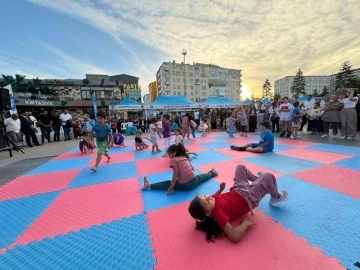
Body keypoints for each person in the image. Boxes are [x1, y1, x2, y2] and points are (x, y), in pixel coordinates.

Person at [188, 164, 288, 243]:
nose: (209, 197)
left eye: (204, 196)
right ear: (207, 213)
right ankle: (276, 198)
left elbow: (214, 196)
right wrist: (246, 223)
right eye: (206, 200)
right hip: (249, 198)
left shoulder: (211, 202)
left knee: (240, 167)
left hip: (238, 189)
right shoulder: (218, 215)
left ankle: (256, 179)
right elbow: (234, 236)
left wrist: (220, 189)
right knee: (269, 176)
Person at [142, 144, 217, 195]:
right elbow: (192, 169)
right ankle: (213, 172)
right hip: (194, 180)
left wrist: (171, 186)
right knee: (202, 177)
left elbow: (176, 174)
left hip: (185, 186)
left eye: (169, 154)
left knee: (168, 183)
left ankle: (149, 185)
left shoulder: (174, 160)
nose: (168, 156)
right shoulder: (185, 157)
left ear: (174, 153)